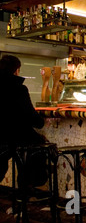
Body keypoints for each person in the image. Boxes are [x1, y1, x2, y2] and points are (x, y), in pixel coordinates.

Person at [0, 55, 48, 187]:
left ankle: (22, 194)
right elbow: (30, 116)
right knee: (38, 143)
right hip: (15, 137)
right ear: (16, 70)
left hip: (3, 139)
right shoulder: (19, 88)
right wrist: (41, 122)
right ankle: (27, 190)